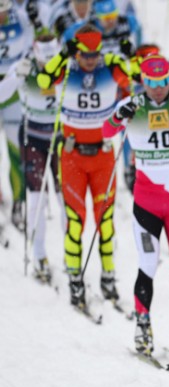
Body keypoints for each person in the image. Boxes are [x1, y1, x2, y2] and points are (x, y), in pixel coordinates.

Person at [102, 54, 169, 355]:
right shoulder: (133, 105)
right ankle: (142, 325)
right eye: (152, 82)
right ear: (143, 81)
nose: (158, 89)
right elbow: (106, 132)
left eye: (163, 82)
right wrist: (117, 115)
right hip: (147, 203)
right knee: (148, 265)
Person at [37, 23, 133, 309]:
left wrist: (129, 54)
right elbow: (43, 81)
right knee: (75, 221)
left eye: (95, 54)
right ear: (76, 51)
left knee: (105, 221)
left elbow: (135, 79)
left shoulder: (110, 64)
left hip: (103, 156)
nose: (91, 60)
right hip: (72, 156)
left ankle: (108, 276)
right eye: (85, 55)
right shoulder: (66, 68)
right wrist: (62, 55)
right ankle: (74, 278)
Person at [0, 30, 63, 282]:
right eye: (43, 60)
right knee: (36, 200)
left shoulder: (64, 67)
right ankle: (39, 256)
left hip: (59, 139)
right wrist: (15, 76)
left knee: (65, 200)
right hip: (33, 138)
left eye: (52, 59)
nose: (47, 65)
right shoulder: (24, 65)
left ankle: (73, 259)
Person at [0, 0, 34, 231]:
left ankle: (18, 202)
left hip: (11, 89)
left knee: (16, 148)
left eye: (3, 12)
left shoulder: (20, 19)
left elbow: (30, 51)